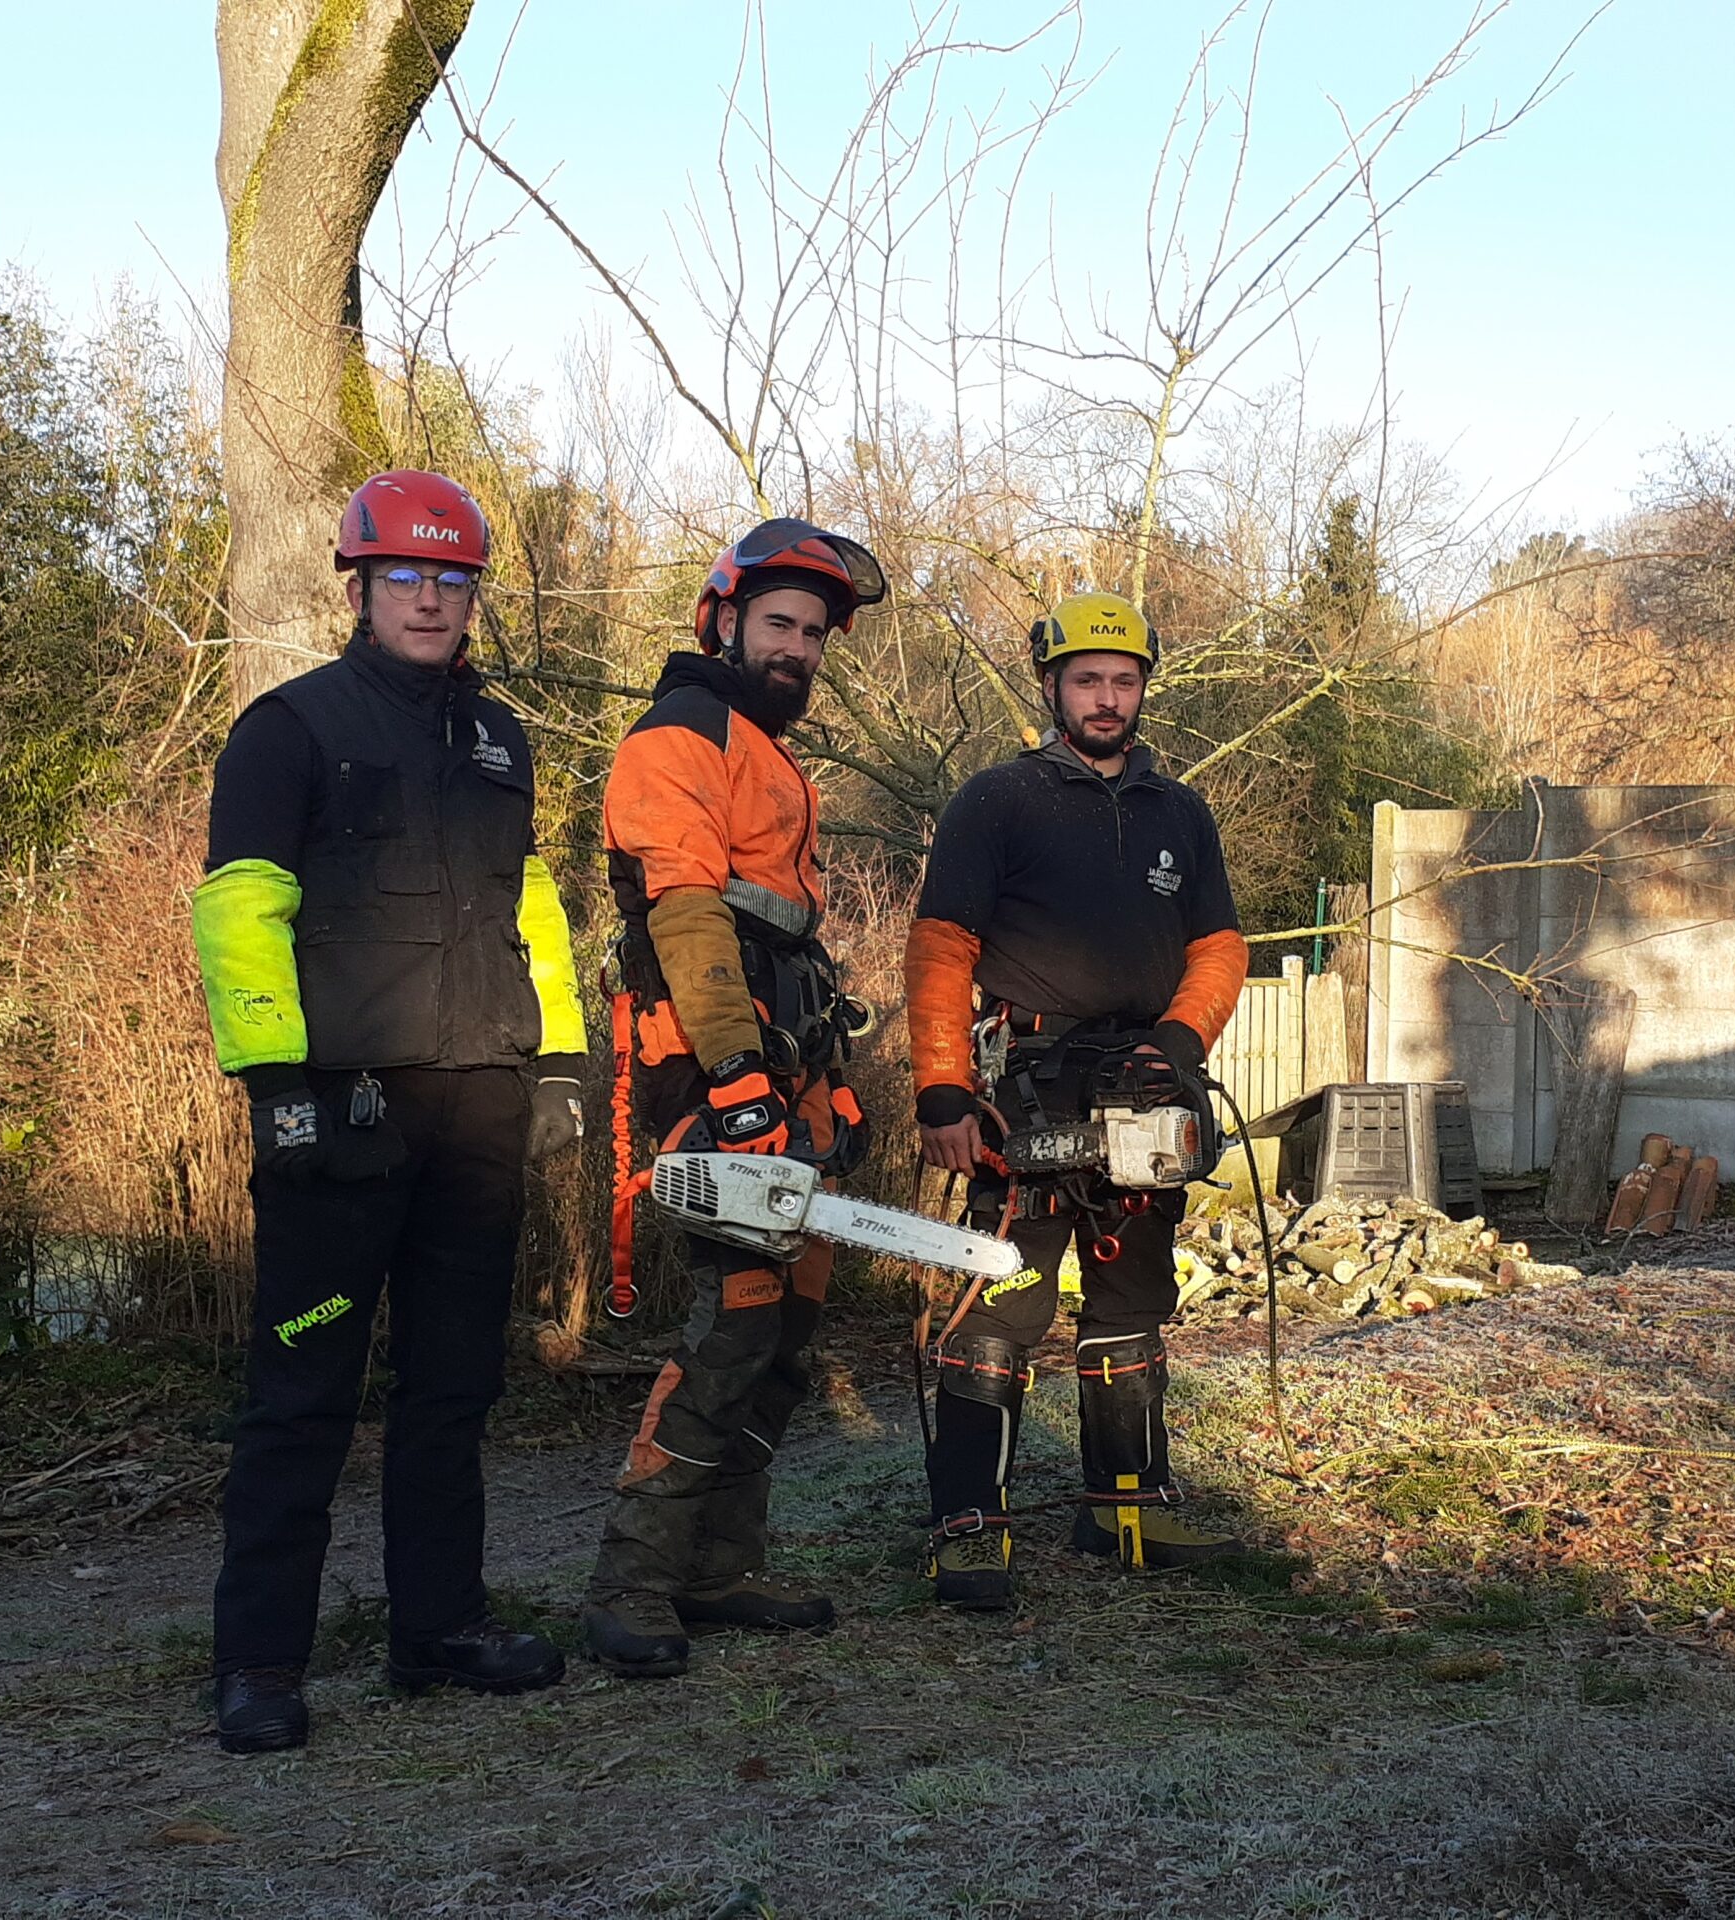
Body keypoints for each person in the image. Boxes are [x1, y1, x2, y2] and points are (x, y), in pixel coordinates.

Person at [191, 469, 590, 1753]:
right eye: (407, 575)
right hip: (344, 1113)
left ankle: (439, 1627)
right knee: (303, 1391)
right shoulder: (288, 727)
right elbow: (241, 912)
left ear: (475, 594)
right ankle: (259, 1661)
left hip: (480, 1105)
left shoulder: (500, 740)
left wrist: (564, 1065)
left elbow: (531, 910)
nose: (430, 597)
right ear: (358, 584)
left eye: (453, 577)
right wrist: (279, 1093)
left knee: (452, 1387)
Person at [580, 518, 886, 1677]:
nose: (799, 647)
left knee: (786, 1337)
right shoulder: (680, 738)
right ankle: (633, 1580)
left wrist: (825, 1089)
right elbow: (690, 919)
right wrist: (738, 1086)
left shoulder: (767, 750)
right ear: (722, 618)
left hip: (784, 1073)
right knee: (731, 1330)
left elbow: (787, 952)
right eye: (780, 624)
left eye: (813, 633)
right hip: (713, 1075)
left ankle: (721, 1564)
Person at [903, 590, 1249, 1609]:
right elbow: (942, 947)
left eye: (1124, 680)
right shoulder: (996, 801)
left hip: (1145, 1079)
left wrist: (1178, 1044)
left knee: (1133, 1295)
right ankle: (968, 1523)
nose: (1107, 697)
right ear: (1052, 686)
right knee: (1003, 1297)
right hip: (1030, 1083)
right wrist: (940, 1091)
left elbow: (1218, 945)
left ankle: (1128, 1508)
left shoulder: (1179, 812)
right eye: (1088, 680)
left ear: (1144, 689)